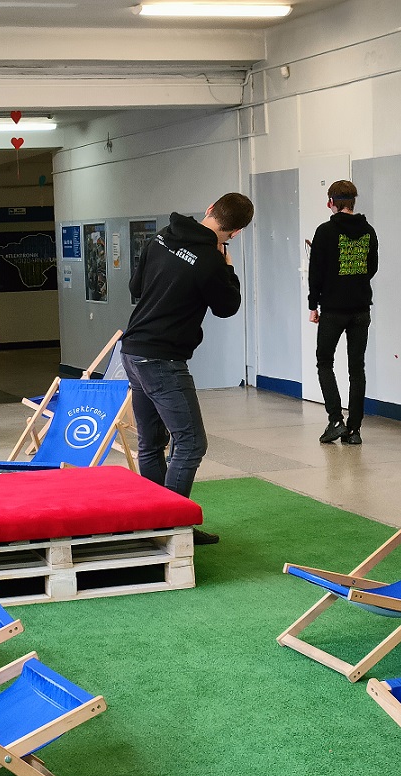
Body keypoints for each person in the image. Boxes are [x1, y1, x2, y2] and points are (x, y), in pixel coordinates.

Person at [122, 192, 254, 545]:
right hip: (162, 360)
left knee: (151, 442)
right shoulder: (211, 260)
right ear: (236, 232)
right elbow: (227, 307)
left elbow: (136, 287)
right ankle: (172, 527)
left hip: (133, 352)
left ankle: (154, 523)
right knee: (191, 443)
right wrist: (228, 269)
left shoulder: (162, 236)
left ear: (210, 209)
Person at [307, 179, 378, 446]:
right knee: (356, 369)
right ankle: (354, 430)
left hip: (333, 310)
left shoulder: (325, 231)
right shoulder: (368, 231)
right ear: (353, 202)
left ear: (331, 203)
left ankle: (336, 419)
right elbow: (372, 267)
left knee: (324, 362)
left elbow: (316, 273)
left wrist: (313, 305)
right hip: (361, 309)